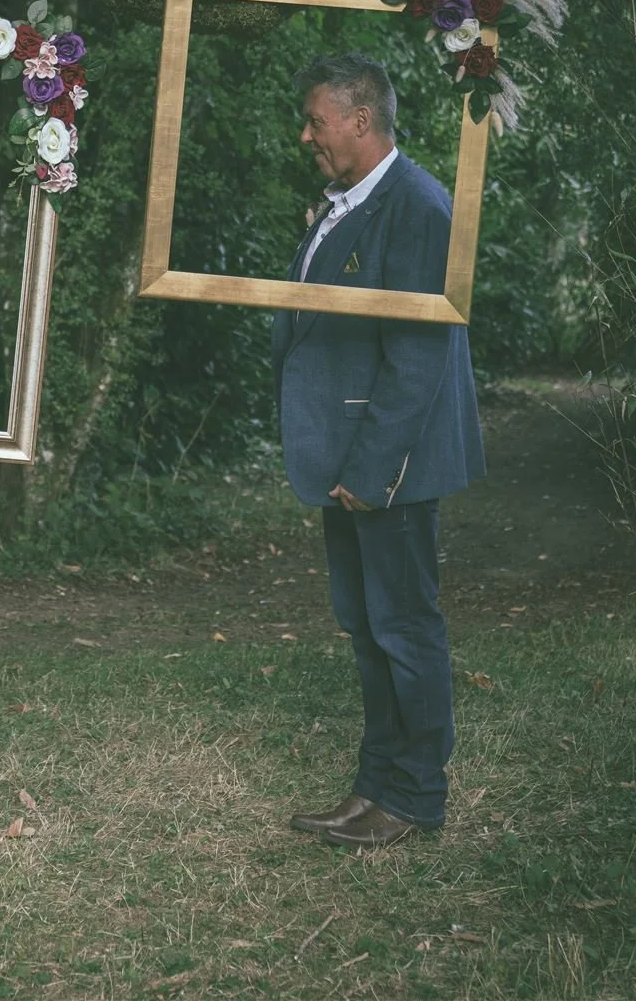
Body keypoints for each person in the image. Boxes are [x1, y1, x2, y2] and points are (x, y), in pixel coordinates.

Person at [273, 54, 485, 848]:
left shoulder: (420, 206)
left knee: (404, 626)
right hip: (346, 456)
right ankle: (375, 788)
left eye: (317, 122)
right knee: (367, 625)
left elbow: (419, 356)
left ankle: (417, 799)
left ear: (361, 121)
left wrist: (369, 471)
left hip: (386, 462)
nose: (307, 136)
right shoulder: (349, 201)